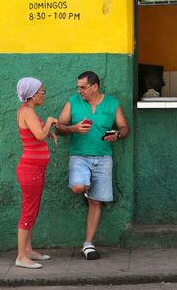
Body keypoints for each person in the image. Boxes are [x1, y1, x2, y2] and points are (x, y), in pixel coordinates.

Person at [56, 71, 129, 260]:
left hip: (104, 158)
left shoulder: (112, 104)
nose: (79, 90)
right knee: (78, 187)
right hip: (79, 157)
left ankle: (88, 244)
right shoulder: (73, 102)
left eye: (83, 87)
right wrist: (73, 129)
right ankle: (85, 185)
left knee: (96, 203)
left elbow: (124, 127)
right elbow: (59, 128)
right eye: (78, 87)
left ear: (94, 87)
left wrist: (117, 135)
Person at [14, 77, 58, 269]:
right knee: (28, 211)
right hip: (30, 169)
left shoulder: (29, 112)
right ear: (32, 95)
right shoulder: (27, 112)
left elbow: (37, 134)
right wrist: (48, 122)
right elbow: (39, 134)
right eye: (42, 92)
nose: (43, 95)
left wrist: (46, 130)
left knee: (33, 211)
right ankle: (21, 256)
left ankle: (29, 249)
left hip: (36, 168)